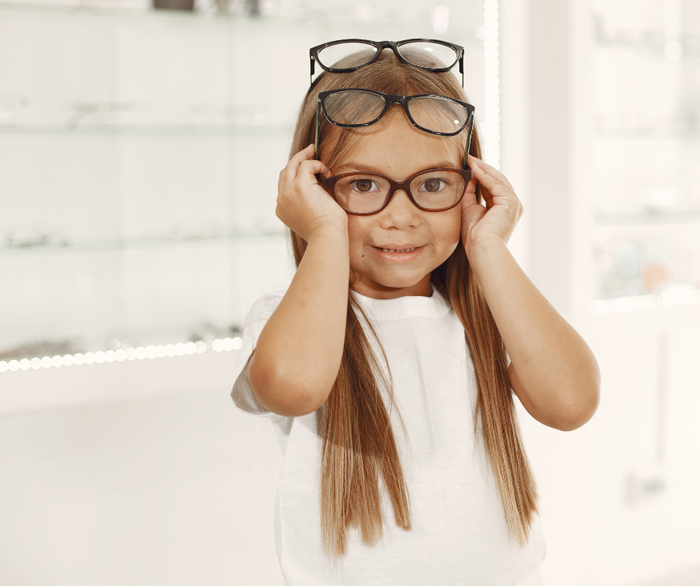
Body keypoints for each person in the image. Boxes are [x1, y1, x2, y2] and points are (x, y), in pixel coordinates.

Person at [231, 40, 600, 586]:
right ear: (312, 190)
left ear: (471, 187)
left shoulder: (483, 314)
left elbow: (571, 403)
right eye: (362, 185)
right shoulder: (288, 320)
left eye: (432, 184)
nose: (400, 217)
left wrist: (489, 247)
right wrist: (326, 233)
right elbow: (293, 386)